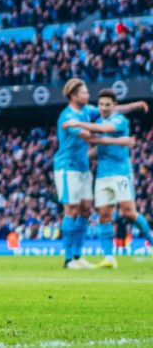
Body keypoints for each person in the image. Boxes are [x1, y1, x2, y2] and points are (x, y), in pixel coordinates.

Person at [55, 79, 145, 269]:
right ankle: (69, 258)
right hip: (67, 167)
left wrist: (134, 106)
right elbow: (89, 136)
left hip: (83, 167)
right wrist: (118, 141)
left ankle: (78, 256)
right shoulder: (67, 117)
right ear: (74, 96)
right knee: (71, 210)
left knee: (86, 210)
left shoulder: (86, 111)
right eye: (85, 93)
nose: (88, 96)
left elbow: (111, 110)